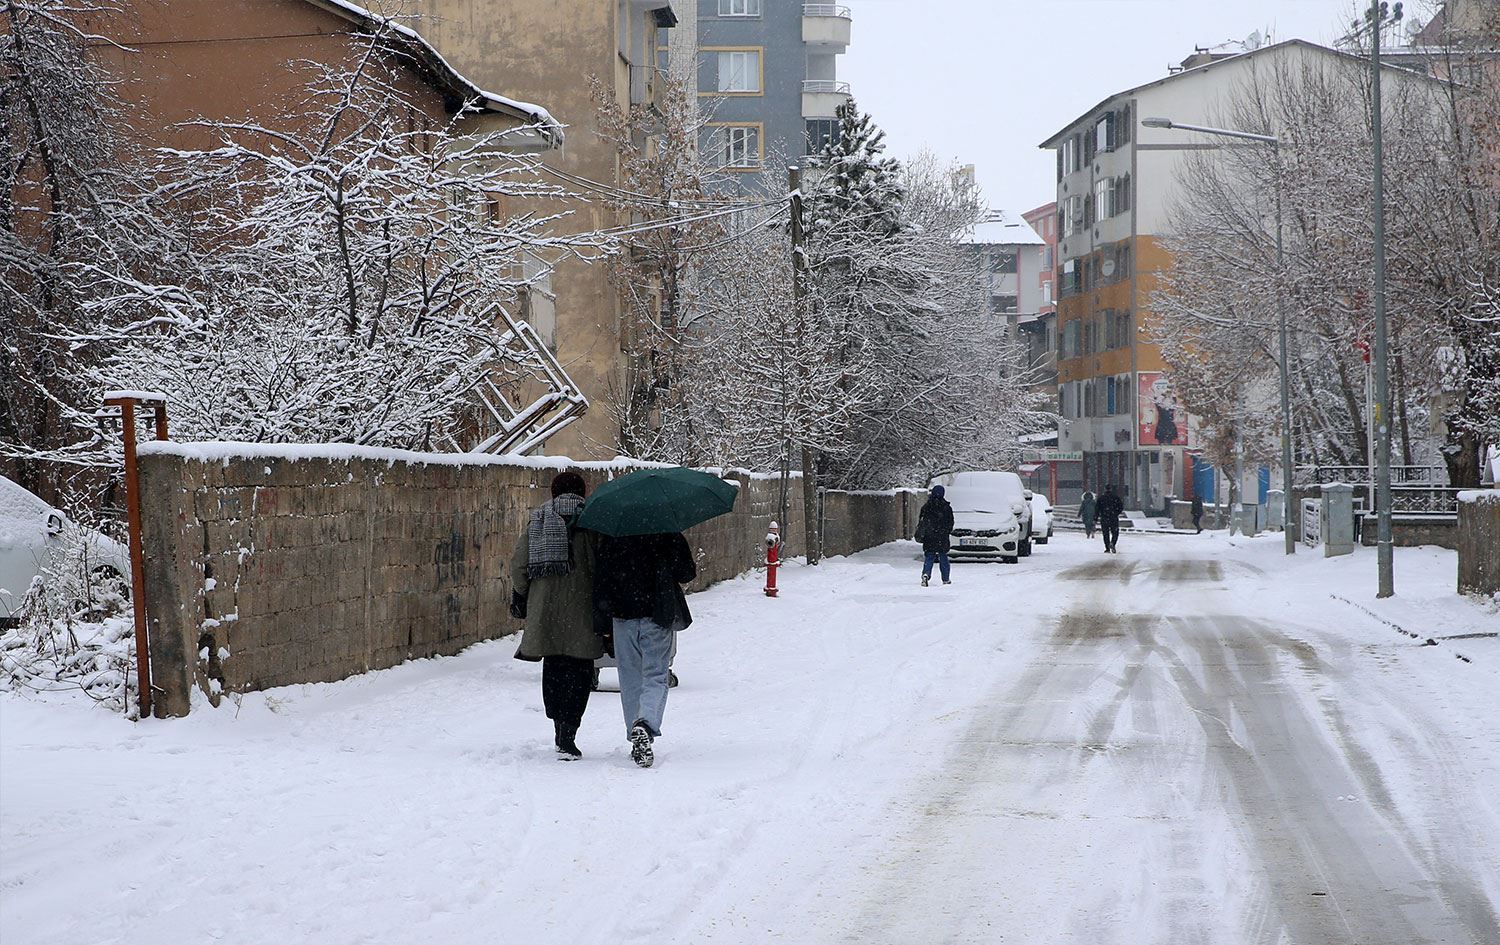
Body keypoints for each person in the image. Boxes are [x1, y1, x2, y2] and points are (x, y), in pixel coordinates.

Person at [510, 472, 604, 761]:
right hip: (583, 608)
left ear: (553, 492)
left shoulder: (539, 518)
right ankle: (570, 732)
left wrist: (524, 593)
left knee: (553, 668)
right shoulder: (594, 521)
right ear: (582, 491)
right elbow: (604, 564)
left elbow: (518, 564)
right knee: (580, 670)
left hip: (546, 608)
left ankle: (558, 727)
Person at [595, 531, 696, 768]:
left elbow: (602, 578)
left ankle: (635, 733)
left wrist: (601, 620)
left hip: (622, 614)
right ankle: (646, 723)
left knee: (629, 678)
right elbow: (686, 572)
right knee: (655, 675)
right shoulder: (668, 533)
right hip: (657, 612)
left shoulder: (614, 534)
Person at [914, 485, 955, 587]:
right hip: (942, 536)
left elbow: (921, 521)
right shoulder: (946, 507)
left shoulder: (927, 507)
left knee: (929, 556)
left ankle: (926, 574)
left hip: (929, 536)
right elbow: (950, 522)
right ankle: (945, 579)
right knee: (943, 557)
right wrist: (945, 531)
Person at [1097, 484, 1124, 553]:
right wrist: (1116, 513)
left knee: (1105, 533)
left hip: (1104, 518)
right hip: (1113, 518)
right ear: (1111, 489)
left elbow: (1097, 509)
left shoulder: (1101, 498)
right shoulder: (1115, 498)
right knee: (1115, 532)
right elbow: (1121, 507)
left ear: (1105, 489)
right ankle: (1113, 543)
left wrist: (1095, 518)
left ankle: (1107, 548)